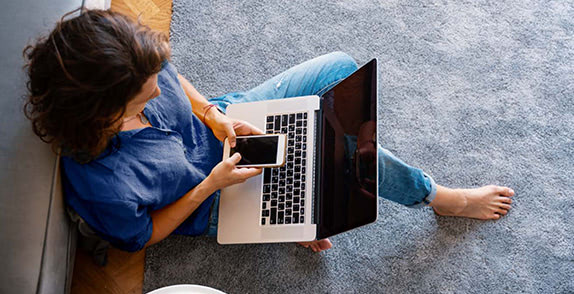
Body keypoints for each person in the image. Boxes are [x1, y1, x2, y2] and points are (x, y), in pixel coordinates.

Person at [23, 10, 514, 254]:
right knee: (335, 149)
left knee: (340, 72)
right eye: (142, 96)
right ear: (101, 108)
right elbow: (145, 235)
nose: (156, 94)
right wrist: (211, 185)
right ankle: (434, 195)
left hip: (226, 126)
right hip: (213, 197)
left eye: (155, 81)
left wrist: (212, 114)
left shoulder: (130, 62)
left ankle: (297, 199)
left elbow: (173, 82)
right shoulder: (101, 184)